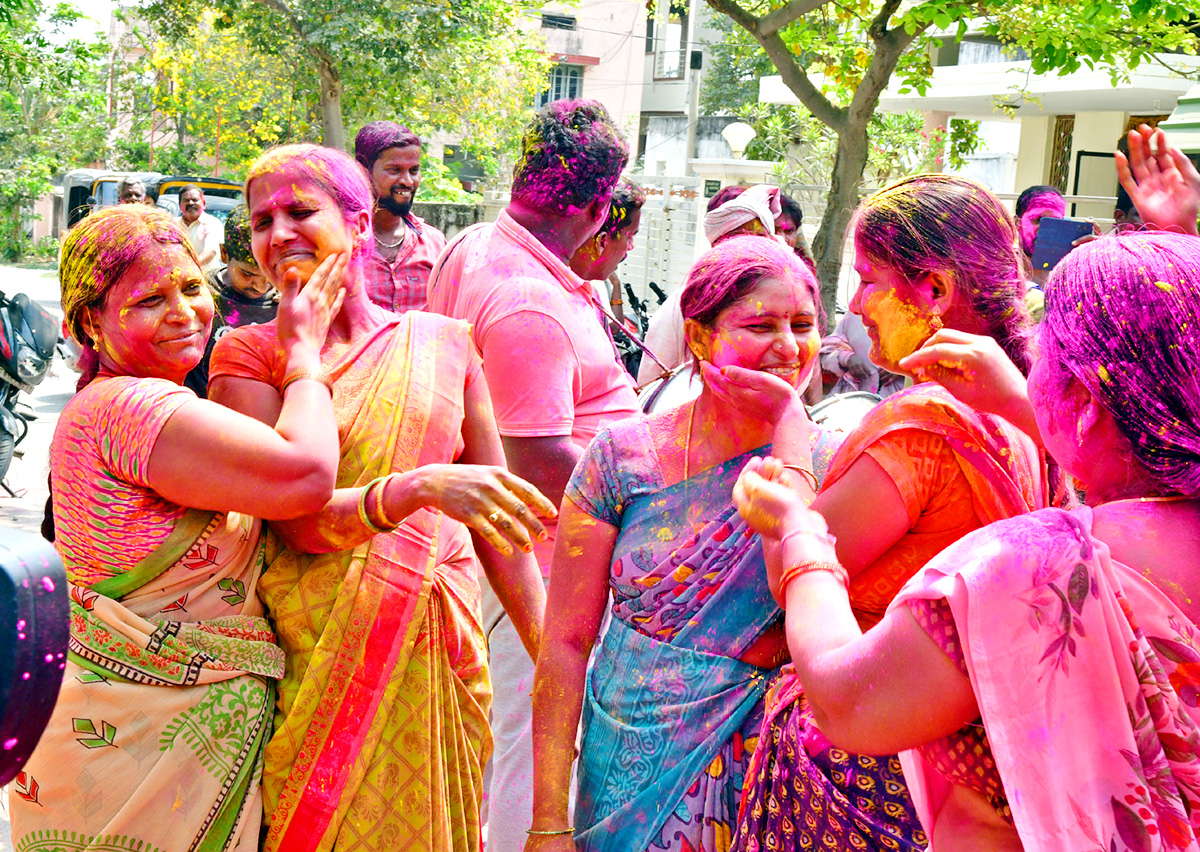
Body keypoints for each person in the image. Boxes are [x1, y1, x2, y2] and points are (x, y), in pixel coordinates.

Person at [734, 230, 1200, 850]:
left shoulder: (1045, 568)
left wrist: (801, 532)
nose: (853, 304)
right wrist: (1016, 399)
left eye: (1049, 363)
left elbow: (847, 700)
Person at [208, 143, 555, 852]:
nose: (279, 235)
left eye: (301, 212)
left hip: (436, 661)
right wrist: (416, 489)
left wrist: (555, 664)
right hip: (317, 668)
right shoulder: (248, 358)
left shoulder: (444, 345)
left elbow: (500, 524)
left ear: (361, 225)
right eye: (262, 221)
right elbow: (292, 521)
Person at [11, 203, 344, 851]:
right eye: (149, 299)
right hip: (146, 755)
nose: (184, 311)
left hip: (125, 750)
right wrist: (303, 355)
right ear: (90, 321)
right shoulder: (133, 406)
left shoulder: (113, 404)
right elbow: (306, 477)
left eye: (192, 287)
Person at [730, 174, 1049, 852]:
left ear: (933, 290)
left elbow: (798, 576)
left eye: (870, 280)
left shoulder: (924, 427)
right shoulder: (1029, 412)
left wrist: (788, 440)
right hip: (961, 768)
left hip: (873, 770)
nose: (854, 303)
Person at [530, 235, 843, 852]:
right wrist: (546, 820)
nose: (788, 346)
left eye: (803, 324)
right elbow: (565, 643)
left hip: (770, 769)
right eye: (762, 325)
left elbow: (809, 585)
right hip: (625, 764)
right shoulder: (622, 459)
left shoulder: (838, 464)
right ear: (699, 338)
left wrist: (789, 428)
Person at [427, 98, 637, 852]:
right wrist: (652, 509)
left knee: (516, 741)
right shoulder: (527, 301)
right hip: (539, 564)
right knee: (535, 749)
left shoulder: (479, 244)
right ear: (597, 205)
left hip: (515, 553)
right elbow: (537, 460)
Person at [638, 185, 783, 386]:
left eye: (757, 239)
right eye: (736, 241)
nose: (747, 252)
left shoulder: (783, 298)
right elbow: (651, 383)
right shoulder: (683, 305)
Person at [354, 120, 447, 313]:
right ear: (363, 171)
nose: (407, 181)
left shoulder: (435, 244)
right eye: (394, 170)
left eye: (414, 171)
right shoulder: (341, 243)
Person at [571, 176, 645, 371]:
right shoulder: (557, 301)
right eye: (630, 236)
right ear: (602, 241)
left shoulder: (591, 287)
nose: (630, 247)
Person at [177, 183, 224, 277]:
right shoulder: (173, 224)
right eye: (186, 200)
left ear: (203, 204)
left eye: (195, 200)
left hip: (207, 280)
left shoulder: (212, 223)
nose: (190, 203)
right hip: (179, 279)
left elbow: (211, 251)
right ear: (180, 205)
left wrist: (187, 268)